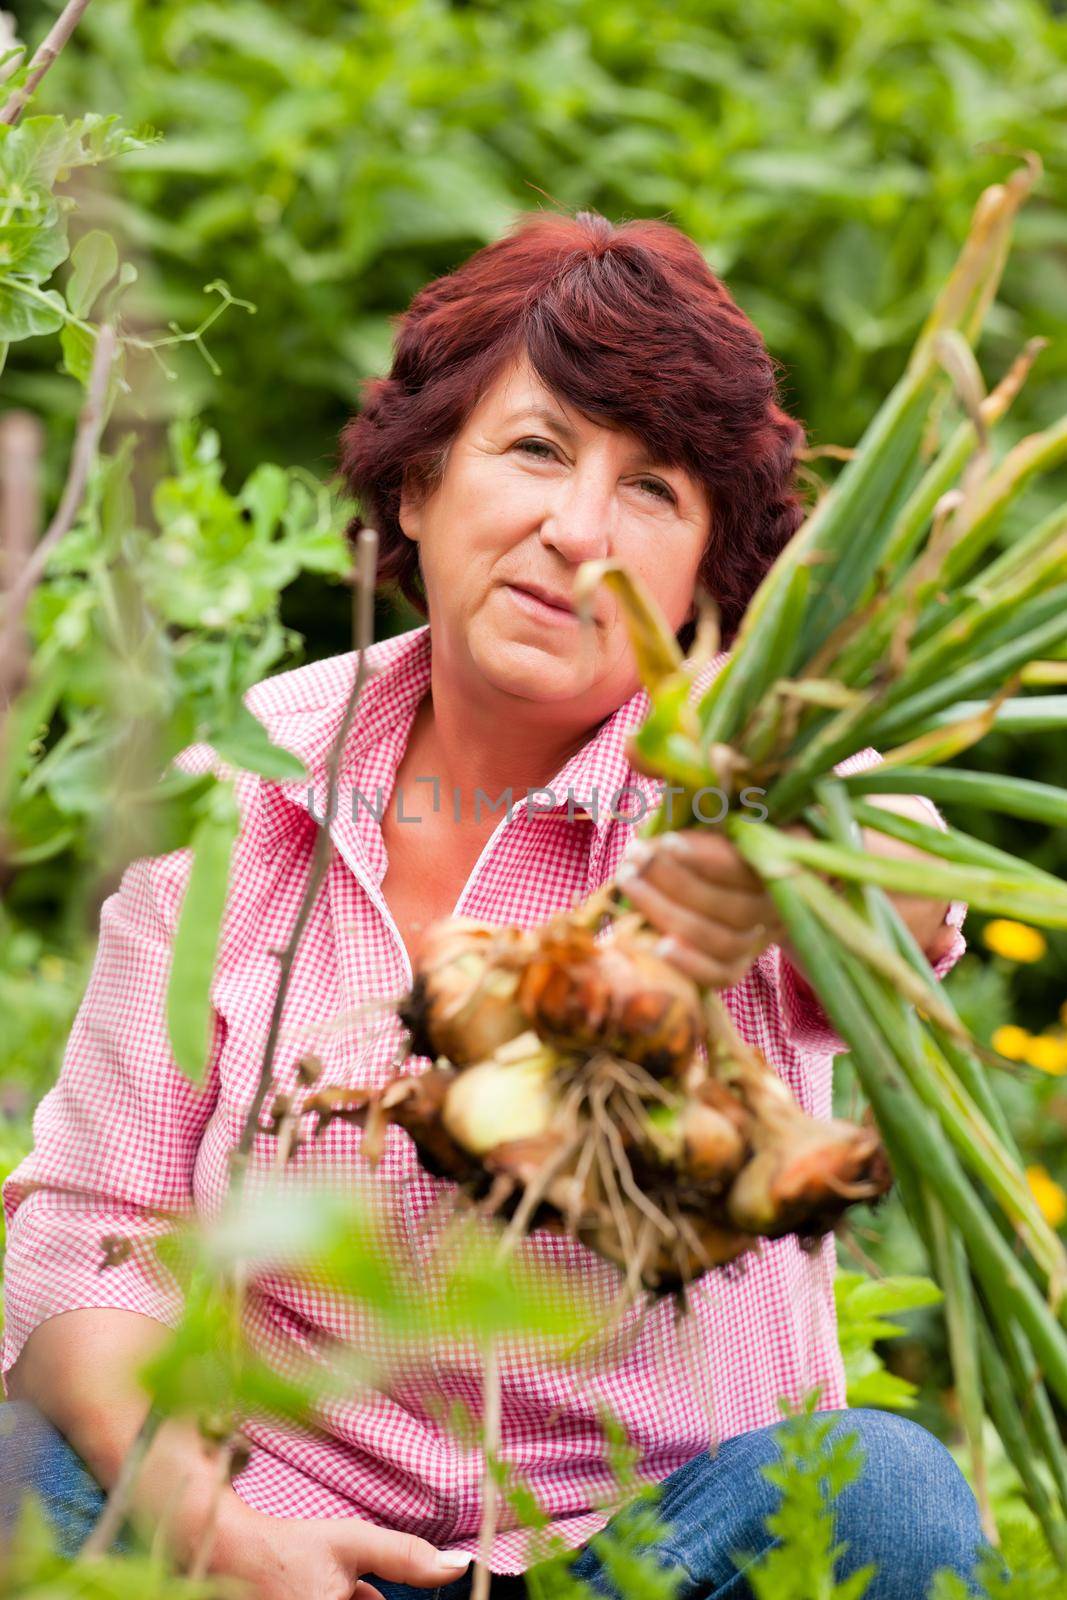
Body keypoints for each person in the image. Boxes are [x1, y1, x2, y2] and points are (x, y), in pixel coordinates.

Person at [1, 211, 982, 1599]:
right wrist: (224, 1533)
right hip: (287, 1540)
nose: (575, 530)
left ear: (705, 570)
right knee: (15, 1476)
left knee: (889, 1499)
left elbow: (910, 888)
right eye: (535, 450)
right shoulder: (244, 788)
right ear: (417, 483)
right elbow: (88, 1235)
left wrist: (787, 867)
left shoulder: (749, 777)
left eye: (652, 488)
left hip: (652, 1551)